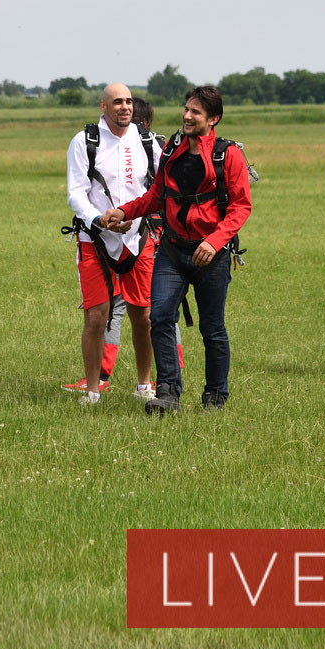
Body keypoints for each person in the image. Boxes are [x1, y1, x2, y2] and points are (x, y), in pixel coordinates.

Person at [104, 86, 251, 414]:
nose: (187, 115)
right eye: (186, 109)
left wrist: (214, 242)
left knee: (212, 327)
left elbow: (240, 207)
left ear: (213, 119)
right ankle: (168, 393)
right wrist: (126, 212)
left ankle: (215, 397)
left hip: (212, 255)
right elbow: (157, 194)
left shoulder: (229, 155)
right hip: (172, 250)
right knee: (160, 317)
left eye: (196, 112)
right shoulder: (171, 148)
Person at [64, 97, 184, 395]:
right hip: (96, 239)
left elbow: (168, 184)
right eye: (118, 102)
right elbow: (76, 192)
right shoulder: (86, 141)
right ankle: (95, 389)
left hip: (140, 238)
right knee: (97, 316)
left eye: (129, 103)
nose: (125, 109)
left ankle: (146, 383)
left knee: (144, 315)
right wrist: (100, 220)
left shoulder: (149, 144)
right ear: (104, 106)